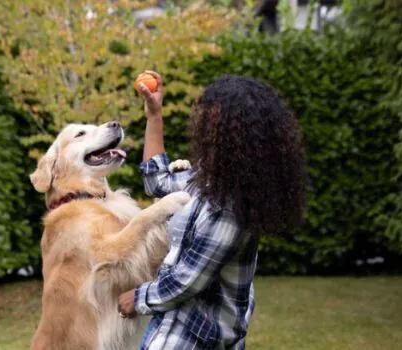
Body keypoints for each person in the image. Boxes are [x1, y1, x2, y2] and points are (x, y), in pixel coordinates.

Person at [118, 71, 307, 349]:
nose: (202, 123)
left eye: (210, 118)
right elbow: (159, 182)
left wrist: (138, 298)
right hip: (174, 321)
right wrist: (154, 116)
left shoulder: (231, 210)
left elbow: (188, 279)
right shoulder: (210, 179)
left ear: (235, 135)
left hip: (196, 337)